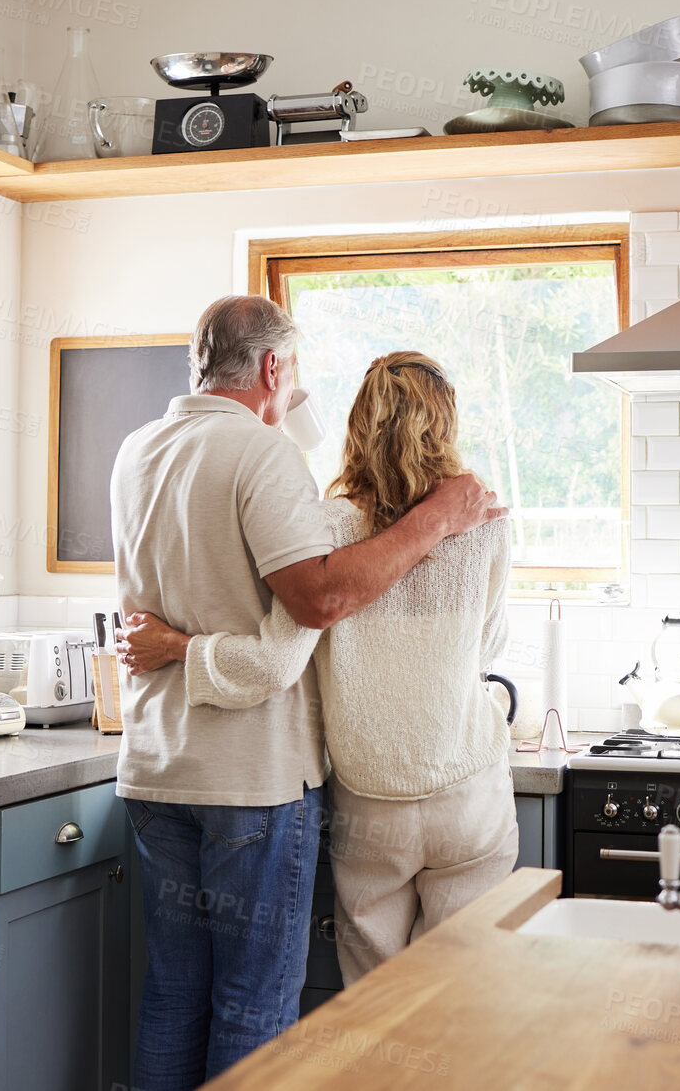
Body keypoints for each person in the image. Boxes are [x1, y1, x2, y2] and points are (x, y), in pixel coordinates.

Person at [110, 298, 502, 1091]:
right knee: (254, 1007)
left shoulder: (135, 449)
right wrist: (433, 522)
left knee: (172, 995)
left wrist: (174, 648)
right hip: (252, 778)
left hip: (156, 767)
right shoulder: (263, 454)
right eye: (292, 375)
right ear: (269, 368)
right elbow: (314, 606)